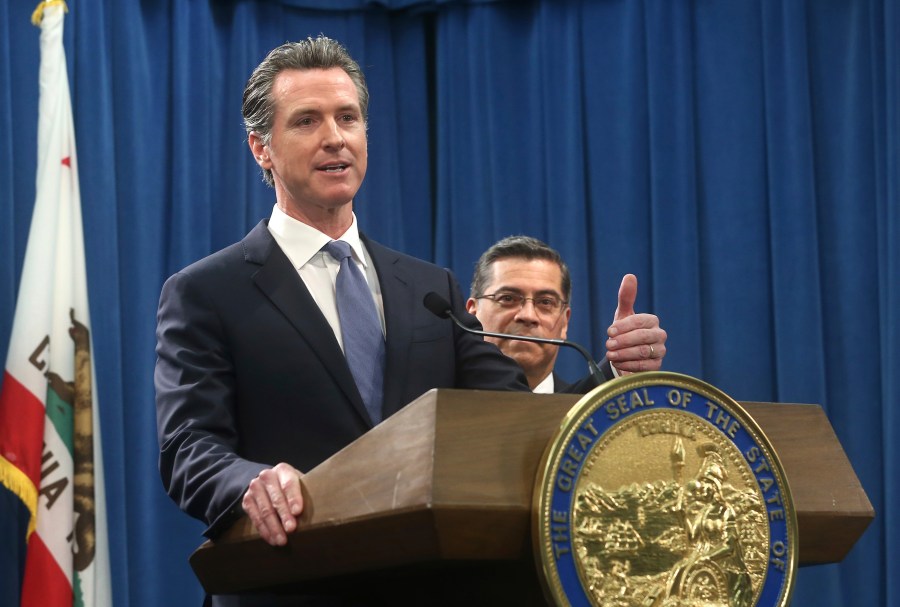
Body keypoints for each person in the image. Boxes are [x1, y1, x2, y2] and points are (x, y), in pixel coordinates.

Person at [153, 35, 532, 600]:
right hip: (291, 581)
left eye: (347, 118)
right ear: (262, 148)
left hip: (429, 584)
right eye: (306, 121)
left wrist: (611, 381)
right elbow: (189, 446)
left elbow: (508, 415)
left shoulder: (431, 287)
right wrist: (251, 483)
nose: (335, 138)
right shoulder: (206, 292)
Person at [466, 235, 667, 393]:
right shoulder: (438, 401)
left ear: (565, 323)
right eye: (508, 298)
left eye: (545, 302)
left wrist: (618, 374)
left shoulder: (586, 405)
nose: (528, 315)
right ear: (472, 313)